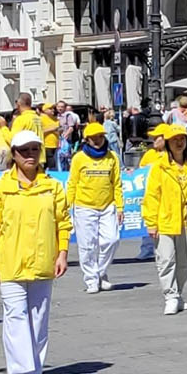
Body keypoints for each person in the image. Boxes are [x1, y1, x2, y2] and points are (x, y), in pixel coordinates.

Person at [0, 129, 72, 374]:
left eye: (34, 149)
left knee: (39, 317)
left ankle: (34, 371)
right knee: (15, 315)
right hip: (10, 262)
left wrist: (62, 253)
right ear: (14, 154)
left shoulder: (53, 187)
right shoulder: (1, 189)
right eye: (24, 151)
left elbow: (63, 223)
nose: (30, 155)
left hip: (43, 261)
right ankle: (18, 371)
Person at [143, 121, 187, 315]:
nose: (178, 143)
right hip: (165, 220)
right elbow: (152, 196)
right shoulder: (159, 167)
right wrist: (151, 222)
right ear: (167, 142)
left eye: (181, 139)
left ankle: (178, 293)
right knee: (166, 260)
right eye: (174, 139)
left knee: (185, 264)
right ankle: (170, 296)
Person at [65, 120, 123, 292]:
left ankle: (100, 272)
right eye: (93, 138)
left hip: (107, 205)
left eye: (100, 137)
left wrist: (120, 207)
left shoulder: (112, 157)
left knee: (112, 240)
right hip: (84, 206)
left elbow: (116, 183)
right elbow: (72, 183)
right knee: (87, 245)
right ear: (87, 140)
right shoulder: (79, 158)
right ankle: (91, 279)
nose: (97, 140)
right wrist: (67, 207)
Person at [135, 127, 168, 262]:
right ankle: (147, 249)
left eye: (156, 137)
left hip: (168, 195)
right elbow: (140, 172)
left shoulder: (172, 154)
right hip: (152, 194)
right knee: (149, 221)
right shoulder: (149, 154)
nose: (153, 140)